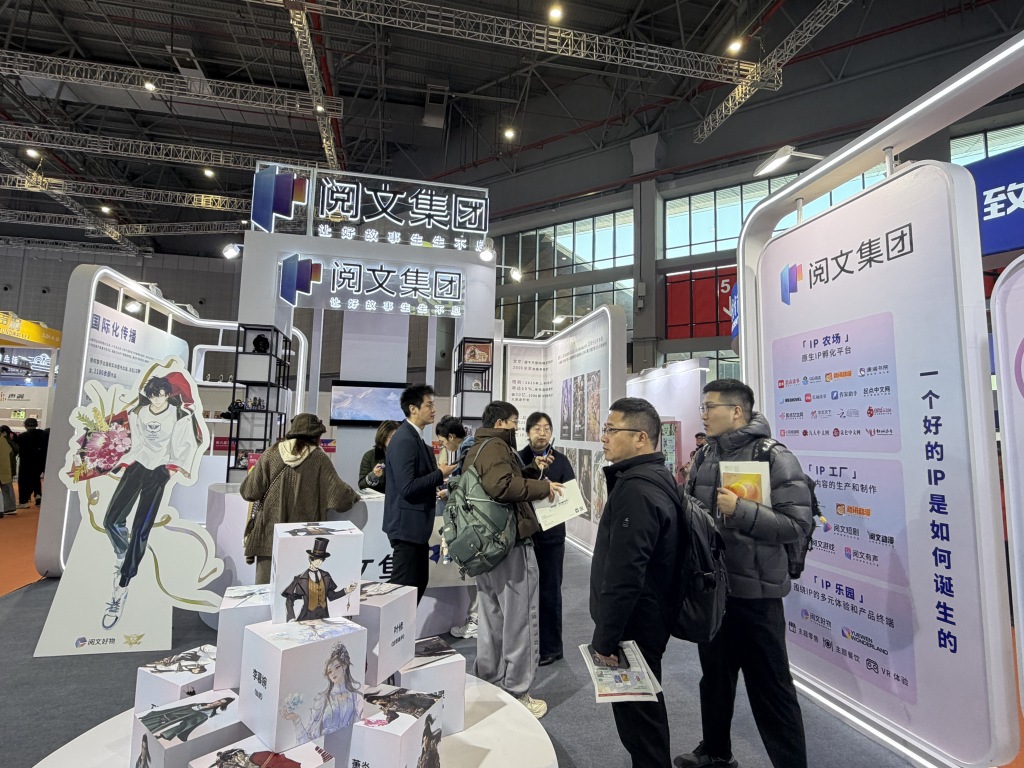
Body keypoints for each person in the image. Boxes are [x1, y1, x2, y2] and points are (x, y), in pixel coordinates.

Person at [676, 379, 812, 768]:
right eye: (702, 407)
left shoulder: (774, 456)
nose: (703, 414)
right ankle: (716, 752)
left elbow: (797, 524)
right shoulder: (705, 455)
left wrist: (741, 510)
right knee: (715, 679)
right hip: (714, 591)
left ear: (736, 411)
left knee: (772, 689)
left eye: (710, 407)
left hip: (757, 597)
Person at [590, 397, 682, 768]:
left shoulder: (636, 490)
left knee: (640, 724)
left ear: (641, 438)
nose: (604, 437)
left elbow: (626, 572)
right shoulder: (653, 477)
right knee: (643, 715)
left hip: (635, 625)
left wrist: (606, 638)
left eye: (612, 430)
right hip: (647, 616)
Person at [462, 400, 563, 719]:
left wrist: (530, 471)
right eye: (514, 422)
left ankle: (490, 681)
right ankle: (517, 691)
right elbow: (502, 486)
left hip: (485, 547)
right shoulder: (496, 446)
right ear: (501, 423)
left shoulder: (479, 447)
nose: (517, 428)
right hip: (509, 544)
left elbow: (501, 481)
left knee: (492, 617)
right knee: (519, 620)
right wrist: (543, 486)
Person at [101, 375, 204, 629]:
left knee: (141, 528)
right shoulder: (138, 413)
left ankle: (121, 586)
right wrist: (121, 463)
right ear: (148, 395)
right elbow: (136, 443)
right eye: (153, 395)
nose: (157, 400)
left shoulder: (180, 416)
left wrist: (169, 469)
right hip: (137, 465)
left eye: (162, 395)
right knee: (111, 520)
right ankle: (122, 554)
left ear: (168, 394)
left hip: (159, 471)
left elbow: (185, 446)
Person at [241, 413, 360, 584]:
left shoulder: (271, 454)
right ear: (316, 436)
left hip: (268, 537)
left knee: (265, 591)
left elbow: (249, 492)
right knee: (297, 592)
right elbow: (340, 498)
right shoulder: (318, 458)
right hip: (303, 540)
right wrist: (354, 494)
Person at [383, 385, 457, 602]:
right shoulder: (405, 439)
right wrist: (439, 474)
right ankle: (394, 626)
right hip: (406, 527)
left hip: (414, 528)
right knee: (403, 592)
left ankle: (401, 625)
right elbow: (407, 487)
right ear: (413, 409)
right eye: (429, 405)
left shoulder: (415, 437)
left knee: (415, 586)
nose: (433, 410)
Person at [519, 411, 575, 666]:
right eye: (537, 428)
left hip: (552, 536)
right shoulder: (519, 459)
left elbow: (571, 493)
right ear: (527, 432)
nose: (542, 433)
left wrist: (556, 493)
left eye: (547, 428)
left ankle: (551, 648)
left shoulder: (560, 461)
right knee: (522, 591)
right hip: (524, 535)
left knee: (550, 592)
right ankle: (525, 646)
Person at [435, 414, 479, 639]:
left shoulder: (468, 449)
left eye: (443, 441)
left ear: (452, 436)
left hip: (474, 521)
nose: (444, 446)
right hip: (478, 519)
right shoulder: (472, 446)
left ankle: (476, 620)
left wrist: (448, 490)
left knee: (476, 573)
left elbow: (468, 483)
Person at [281, 641, 360, 741]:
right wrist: (296, 720)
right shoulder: (322, 699)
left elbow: (357, 727)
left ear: (344, 666)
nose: (333, 673)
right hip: (325, 745)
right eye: (330, 671)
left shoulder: (354, 696)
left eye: (337, 667)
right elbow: (308, 738)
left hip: (347, 743)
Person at [281, 536, 358, 621]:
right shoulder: (300, 579)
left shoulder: (326, 576)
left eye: (321, 559)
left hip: (323, 616)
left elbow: (331, 596)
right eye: (317, 559)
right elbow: (289, 600)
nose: (319, 562)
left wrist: (346, 590)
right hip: (306, 617)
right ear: (311, 559)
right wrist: (291, 618)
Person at [140, 697, 234, 742]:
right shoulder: (203, 702)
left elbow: (188, 723)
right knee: (156, 719)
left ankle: (161, 735)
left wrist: (163, 735)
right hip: (172, 714)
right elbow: (184, 707)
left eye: (220, 703)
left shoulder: (207, 714)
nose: (217, 702)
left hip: (179, 718)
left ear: (221, 706)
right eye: (219, 700)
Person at [358, 420, 399, 493]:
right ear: (383, 437)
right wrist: (373, 476)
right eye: (391, 437)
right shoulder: (370, 456)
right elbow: (362, 486)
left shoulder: (406, 455)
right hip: (379, 498)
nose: (396, 440)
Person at [15, 416, 47, 508]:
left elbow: (18, 449)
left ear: (25, 425)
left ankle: (23, 501)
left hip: (26, 462)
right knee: (36, 478)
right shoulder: (43, 434)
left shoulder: (22, 437)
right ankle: (38, 495)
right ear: (36, 425)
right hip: (40, 462)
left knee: (23, 481)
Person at [0, 427, 13, 518]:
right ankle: (9, 508)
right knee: (7, 489)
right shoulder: (3, 440)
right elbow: (10, 450)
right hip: (5, 468)